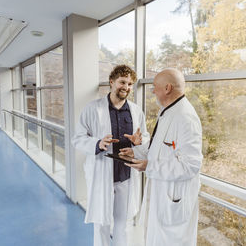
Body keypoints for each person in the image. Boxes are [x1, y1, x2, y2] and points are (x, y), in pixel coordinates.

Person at [72, 65, 149, 246]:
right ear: (112, 82)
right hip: (102, 175)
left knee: (124, 224)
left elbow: (145, 136)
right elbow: (77, 138)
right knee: (101, 224)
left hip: (126, 176)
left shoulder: (136, 111)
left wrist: (139, 142)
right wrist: (98, 143)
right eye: (123, 82)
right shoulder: (92, 108)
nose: (126, 87)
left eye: (130, 84)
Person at [125, 68, 203, 246]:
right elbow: (159, 148)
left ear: (167, 88)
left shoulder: (186, 118)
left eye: (154, 87)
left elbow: (190, 166)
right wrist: (135, 152)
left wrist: (148, 167)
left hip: (173, 200)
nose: (153, 91)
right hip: (161, 195)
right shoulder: (167, 112)